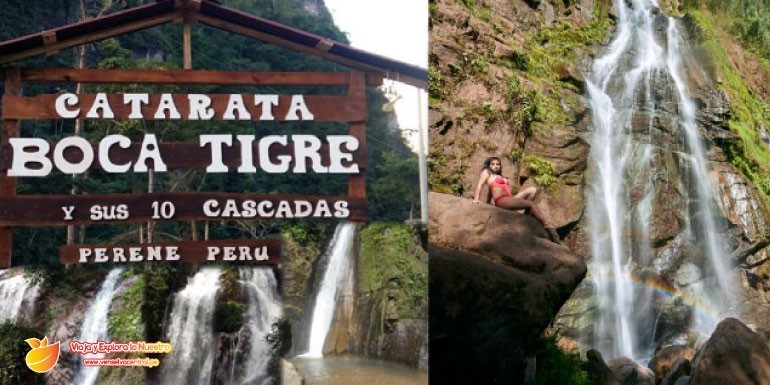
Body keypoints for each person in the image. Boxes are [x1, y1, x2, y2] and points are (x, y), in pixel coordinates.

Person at [472, 156, 555, 229]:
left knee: (532, 190)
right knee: (531, 204)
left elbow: (491, 190)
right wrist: (476, 199)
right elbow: (480, 184)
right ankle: (545, 223)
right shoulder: (486, 172)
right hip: (502, 201)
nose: (496, 166)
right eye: (493, 164)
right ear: (489, 165)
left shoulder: (499, 176)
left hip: (510, 199)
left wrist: (488, 202)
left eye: (498, 164)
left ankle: (525, 216)